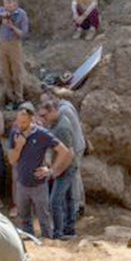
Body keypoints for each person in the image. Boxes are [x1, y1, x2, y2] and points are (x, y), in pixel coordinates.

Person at [8, 105, 73, 239]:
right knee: (24, 218)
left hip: (38, 185)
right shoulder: (15, 133)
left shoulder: (42, 134)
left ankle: (48, 244)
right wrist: (19, 146)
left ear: (31, 119)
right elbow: (12, 160)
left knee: (44, 219)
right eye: (18, 122)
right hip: (22, 183)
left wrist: (51, 170)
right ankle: (31, 243)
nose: (20, 125)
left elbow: (64, 151)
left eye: (24, 122)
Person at [41, 89, 86, 224]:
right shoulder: (66, 105)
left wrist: (54, 168)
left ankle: (76, 208)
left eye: (44, 101)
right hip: (75, 144)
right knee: (74, 178)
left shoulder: (64, 112)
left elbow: (66, 136)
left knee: (73, 180)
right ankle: (78, 205)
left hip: (73, 146)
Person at [37, 101, 79, 239]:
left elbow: (69, 154)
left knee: (55, 201)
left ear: (53, 111)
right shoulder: (56, 123)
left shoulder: (62, 128)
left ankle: (58, 233)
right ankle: (69, 229)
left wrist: (54, 171)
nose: (43, 119)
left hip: (66, 167)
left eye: (44, 115)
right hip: (63, 165)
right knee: (68, 199)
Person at [0, 0, 30, 109]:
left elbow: (24, 34)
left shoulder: (21, 14)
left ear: (15, 2)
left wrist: (11, 26)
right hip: (2, 43)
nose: (8, 5)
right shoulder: (1, 10)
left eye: (10, 3)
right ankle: (10, 98)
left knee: (16, 72)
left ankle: (19, 98)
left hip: (14, 44)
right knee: (5, 72)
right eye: (5, 3)